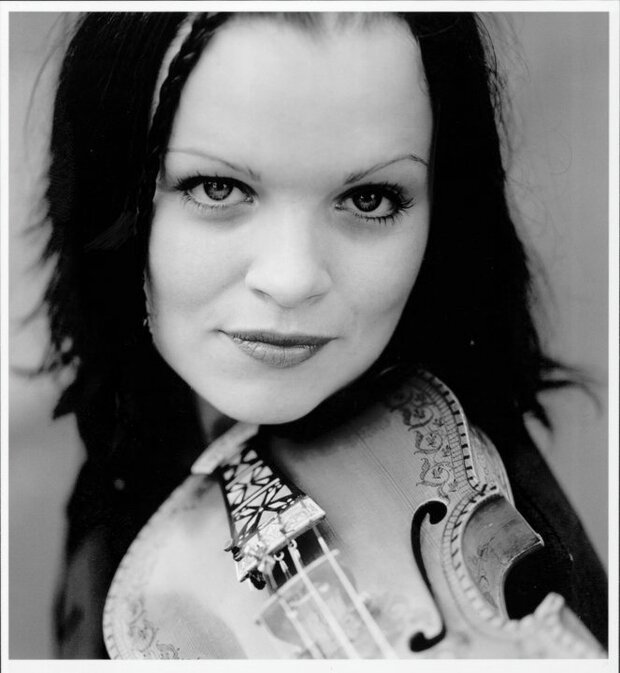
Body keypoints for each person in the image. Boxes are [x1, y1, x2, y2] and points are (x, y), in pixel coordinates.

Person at [39, 11, 607, 658]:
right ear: (113, 198)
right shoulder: (117, 470)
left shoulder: (510, 525)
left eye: (370, 199)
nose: (292, 279)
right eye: (217, 187)